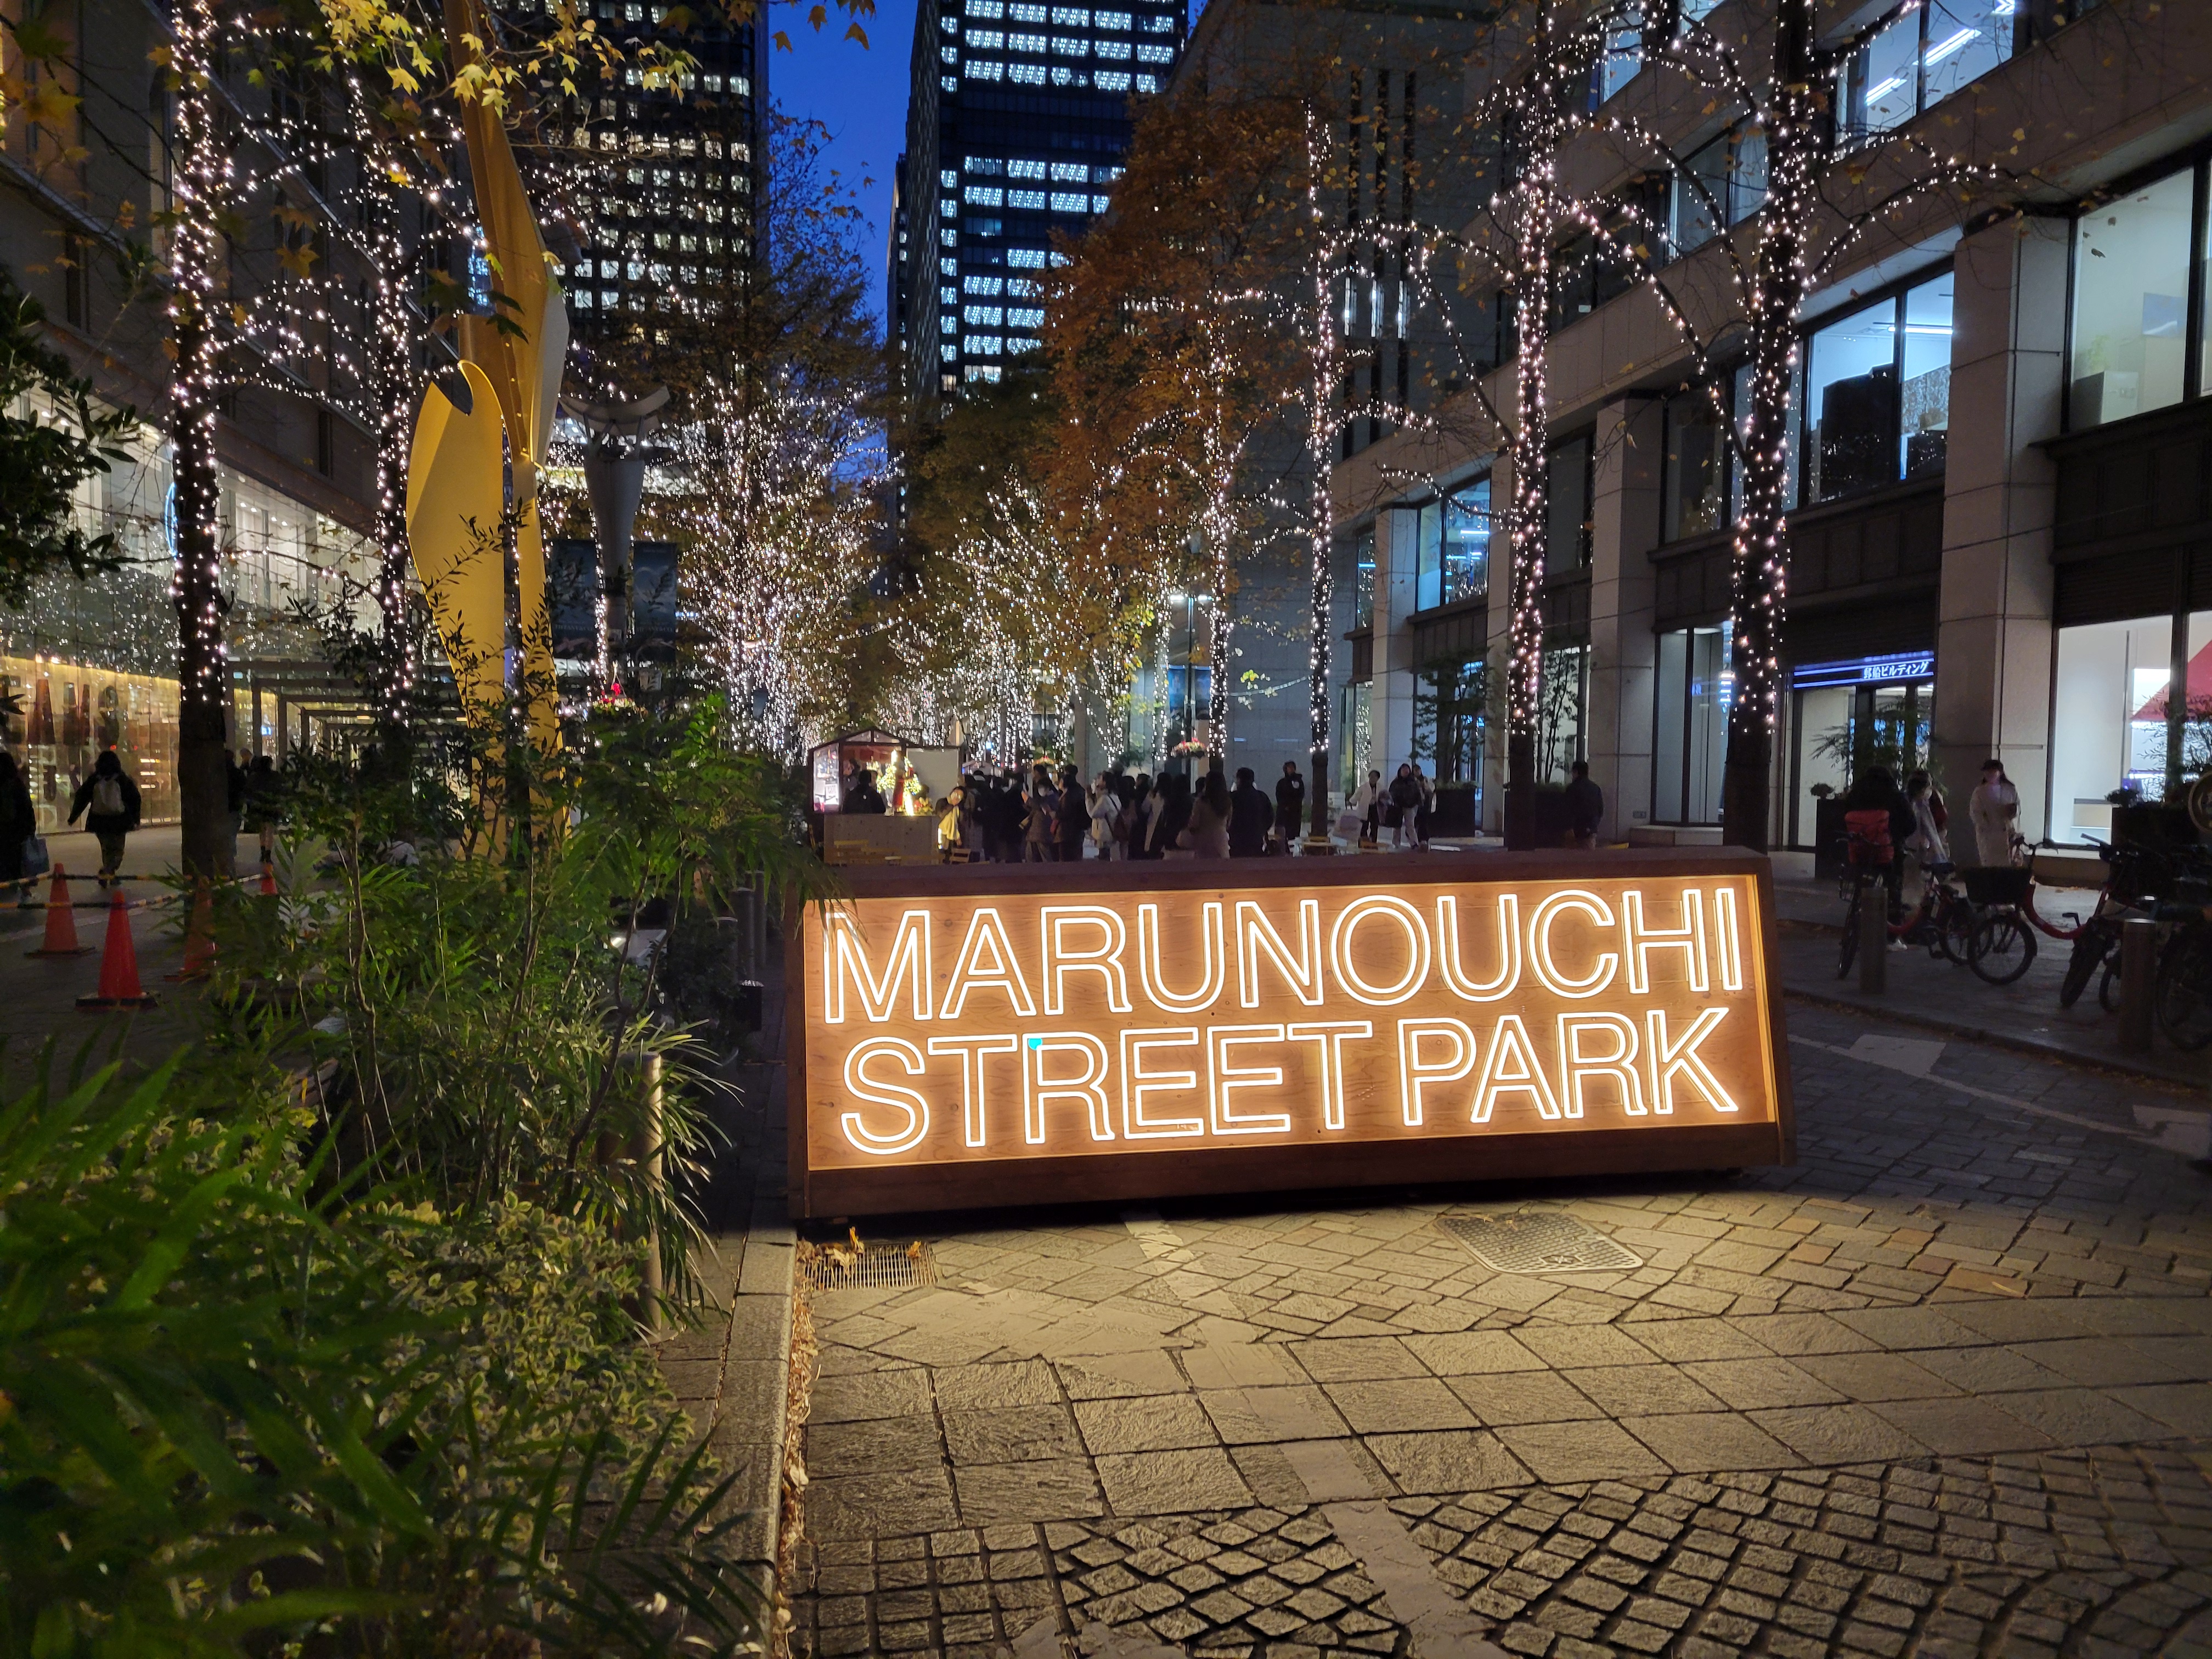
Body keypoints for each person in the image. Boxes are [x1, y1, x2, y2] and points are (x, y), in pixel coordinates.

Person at [1843, 764, 1911, 930]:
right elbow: (1911, 824)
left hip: (1860, 849)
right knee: (1892, 885)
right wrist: (1896, 835)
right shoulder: (1895, 796)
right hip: (1888, 850)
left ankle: (1857, 921)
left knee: (1861, 885)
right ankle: (1892, 925)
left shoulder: (1855, 796)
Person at [69, 748, 141, 885]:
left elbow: (82, 797)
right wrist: (136, 819)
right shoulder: (122, 779)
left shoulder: (95, 780)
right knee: (118, 851)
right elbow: (135, 798)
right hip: (119, 821)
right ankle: (107, 872)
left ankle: (109, 874)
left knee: (107, 850)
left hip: (99, 821)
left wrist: (73, 817)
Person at [1970, 758, 2019, 867]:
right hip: (1988, 834)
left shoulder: (2010, 789)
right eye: (1987, 772)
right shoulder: (1980, 792)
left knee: (2006, 862)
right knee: (1990, 862)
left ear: (2000, 773)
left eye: (1993, 771)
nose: (1990, 774)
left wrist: (2011, 812)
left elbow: (2017, 806)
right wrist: (1985, 823)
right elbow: (1975, 812)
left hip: (2006, 831)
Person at [0, 752, 35, 904]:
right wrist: (31, 829)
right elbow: (26, 807)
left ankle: (6, 886)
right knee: (20, 860)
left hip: (3, 830)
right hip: (16, 830)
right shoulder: (16, 783)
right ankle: (24, 890)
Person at [1904, 770, 1949, 875]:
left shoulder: (1916, 802)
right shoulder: (1919, 804)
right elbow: (1929, 828)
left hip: (1916, 846)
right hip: (1915, 847)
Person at [243, 753, 285, 862]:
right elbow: (281, 789)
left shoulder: (254, 777)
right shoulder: (275, 776)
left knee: (262, 830)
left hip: (259, 806)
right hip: (272, 806)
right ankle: (268, 853)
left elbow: (249, 790)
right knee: (270, 831)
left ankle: (262, 851)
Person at [1185, 768, 1232, 859]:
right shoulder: (1227, 802)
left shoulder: (1201, 802)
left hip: (1204, 841)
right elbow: (1228, 824)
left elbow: (1194, 824)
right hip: (1221, 839)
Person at [1229, 766, 1272, 857]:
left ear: (1239, 780)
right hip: (1256, 840)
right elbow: (1270, 818)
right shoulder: (1262, 797)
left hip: (1236, 841)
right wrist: (1261, 830)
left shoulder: (1232, 798)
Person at [1150, 771, 1193, 858]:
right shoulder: (1192, 801)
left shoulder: (1170, 801)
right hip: (1187, 838)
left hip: (1170, 838)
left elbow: (1164, 821)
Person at [1564, 759, 1604, 850]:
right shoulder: (1596, 788)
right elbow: (1600, 810)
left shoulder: (1572, 788)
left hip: (1575, 829)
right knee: (1588, 855)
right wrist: (1593, 826)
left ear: (1576, 772)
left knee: (1573, 855)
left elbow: (1567, 809)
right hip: (1591, 829)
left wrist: (1569, 827)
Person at [1024, 765, 1059, 862]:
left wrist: (1028, 800)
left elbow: (1038, 805)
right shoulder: (1051, 796)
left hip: (1042, 830)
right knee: (1033, 855)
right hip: (1037, 830)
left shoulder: (1051, 797)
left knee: (1044, 856)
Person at [1386, 763, 1421, 849]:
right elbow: (1391, 793)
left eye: (1407, 770)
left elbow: (1417, 793)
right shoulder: (1396, 782)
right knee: (1397, 825)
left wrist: (1417, 803)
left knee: (1410, 825)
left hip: (1410, 806)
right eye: (1404, 770)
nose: (1405, 772)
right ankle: (1396, 843)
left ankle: (1414, 843)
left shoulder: (1413, 782)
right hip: (1398, 806)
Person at [1275, 761, 1306, 850]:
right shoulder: (1281, 783)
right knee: (1283, 833)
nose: (1290, 770)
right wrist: (1284, 806)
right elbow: (1279, 796)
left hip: (1295, 813)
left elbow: (1300, 796)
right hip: (1283, 813)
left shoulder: (1299, 781)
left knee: (1294, 834)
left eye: (1292, 768)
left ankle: (1294, 849)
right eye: (1288, 768)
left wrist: (1292, 806)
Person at [1352, 769, 1384, 845]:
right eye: (1371, 776)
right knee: (1364, 826)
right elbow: (1357, 795)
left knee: (1374, 826)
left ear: (1378, 778)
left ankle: (1373, 842)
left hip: (1375, 808)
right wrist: (1352, 801)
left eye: (1375, 777)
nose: (1373, 778)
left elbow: (1383, 796)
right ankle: (1363, 842)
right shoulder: (1363, 787)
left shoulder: (1380, 787)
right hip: (1365, 808)